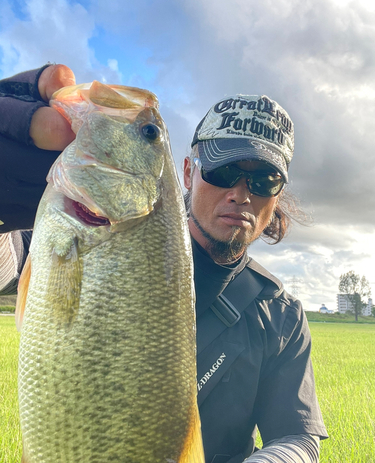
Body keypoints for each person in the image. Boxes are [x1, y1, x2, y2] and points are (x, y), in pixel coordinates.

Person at [0, 64, 328, 463]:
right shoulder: (83, 230)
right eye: (224, 170)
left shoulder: (281, 314)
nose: (241, 194)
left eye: (264, 181)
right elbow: (11, 261)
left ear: (277, 196)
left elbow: (298, 436)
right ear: (188, 172)